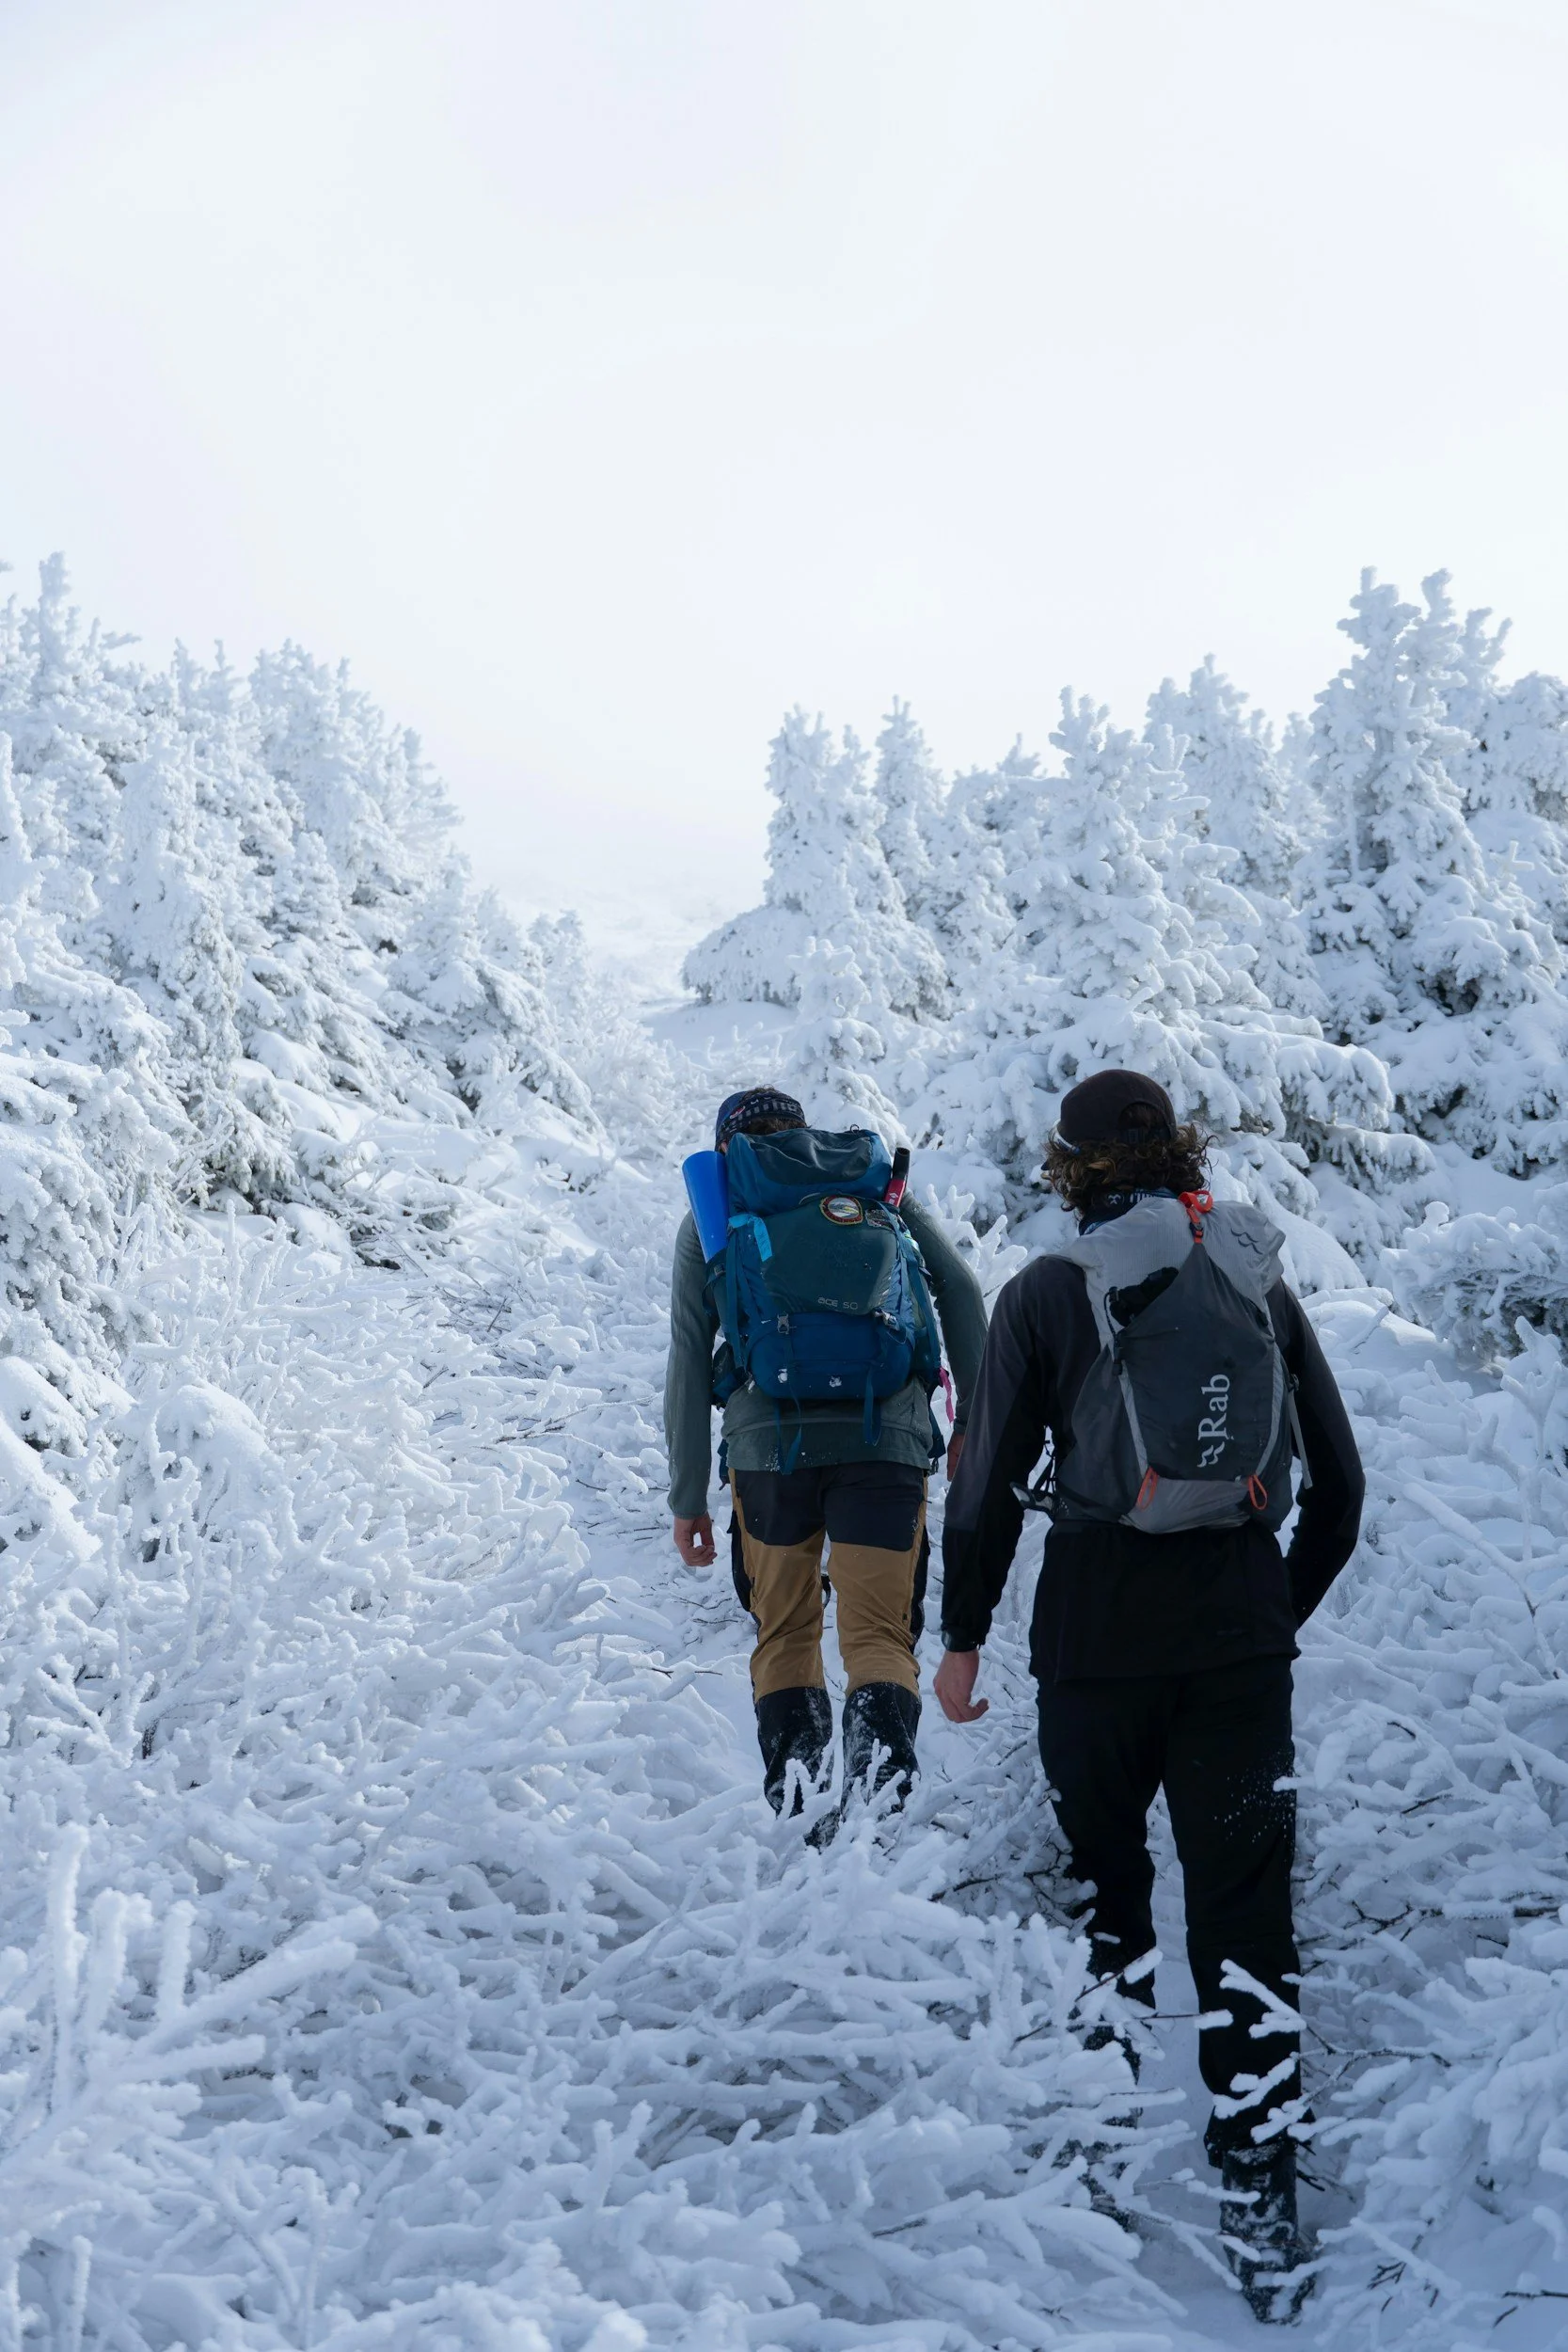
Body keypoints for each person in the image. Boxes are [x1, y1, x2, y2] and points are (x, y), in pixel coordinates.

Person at [933, 1069, 1363, 2321]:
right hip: (1236, 1642)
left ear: (1068, 1168)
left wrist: (960, 1640)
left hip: (1092, 1642)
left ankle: (1099, 2165)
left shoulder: (1045, 1292)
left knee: (1100, 1898)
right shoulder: (1249, 1273)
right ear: (1177, 1151)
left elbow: (983, 1484)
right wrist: (1265, 1617)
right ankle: (1259, 2202)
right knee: (1245, 1917)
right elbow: (1338, 1489)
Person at [666, 1086, 988, 1823]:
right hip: (887, 1444)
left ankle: (800, 1821)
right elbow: (962, 1291)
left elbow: (687, 1355)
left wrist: (687, 1498)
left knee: (785, 1633)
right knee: (878, 1635)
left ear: (729, 1149)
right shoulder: (873, 1193)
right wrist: (973, 1418)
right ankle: (879, 1826)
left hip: (768, 1453)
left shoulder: (715, 1212)